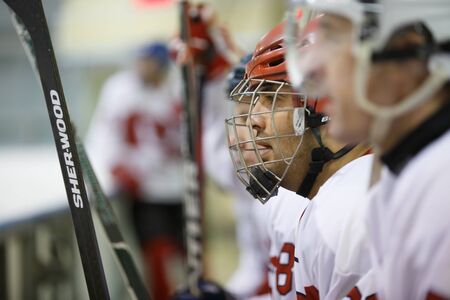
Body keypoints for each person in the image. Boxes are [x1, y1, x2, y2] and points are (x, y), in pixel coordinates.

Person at [285, 1, 450, 298]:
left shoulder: (441, 185)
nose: (312, 66)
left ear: (408, 48)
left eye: (333, 36)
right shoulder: (405, 174)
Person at [227, 20, 374, 299]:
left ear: (325, 105)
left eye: (271, 98)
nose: (253, 122)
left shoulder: (352, 204)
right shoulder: (325, 199)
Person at [86, 41, 185, 300]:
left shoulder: (174, 90)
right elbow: (103, 134)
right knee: (156, 256)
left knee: (187, 256)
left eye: (150, 61)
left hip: (177, 188)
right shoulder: (120, 88)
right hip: (146, 191)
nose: (143, 66)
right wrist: (113, 168)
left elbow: (179, 140)